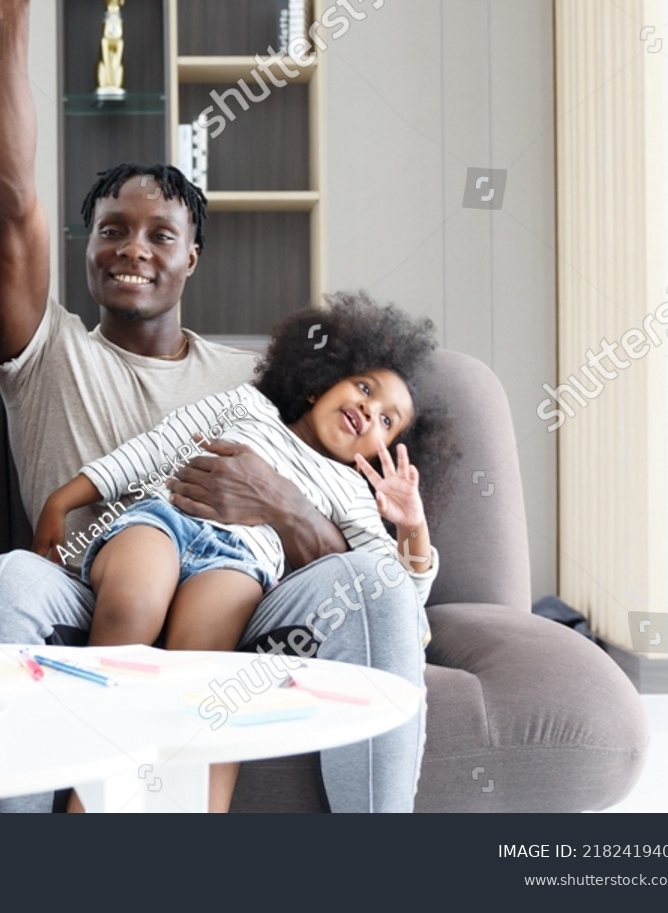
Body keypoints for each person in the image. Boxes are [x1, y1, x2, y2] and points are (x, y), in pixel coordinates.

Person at [0, 0, 434, 813]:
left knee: (369, 583)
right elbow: (7, 200)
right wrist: (7, 11)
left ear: (192, 257)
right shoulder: (45, 349)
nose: (132, 247)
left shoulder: (256, 387)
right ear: (87, 250)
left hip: (244, 590)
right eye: (111, 231)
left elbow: (358, 545)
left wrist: (288, 508)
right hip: (87, 581)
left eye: (159, 234)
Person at [34, 292, 451, 812]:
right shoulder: (248, 406)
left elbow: (394, 598)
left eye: (388, 422)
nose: (370, 411)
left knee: (204, 669)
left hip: (237, 564)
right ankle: (88, 795)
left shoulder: (350, 492)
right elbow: (156, 448)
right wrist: (65, 499)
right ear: (322, 380)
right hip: (162, 522)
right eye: (365, 388)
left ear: (381, 452)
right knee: (130, 607)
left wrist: (412, 525)